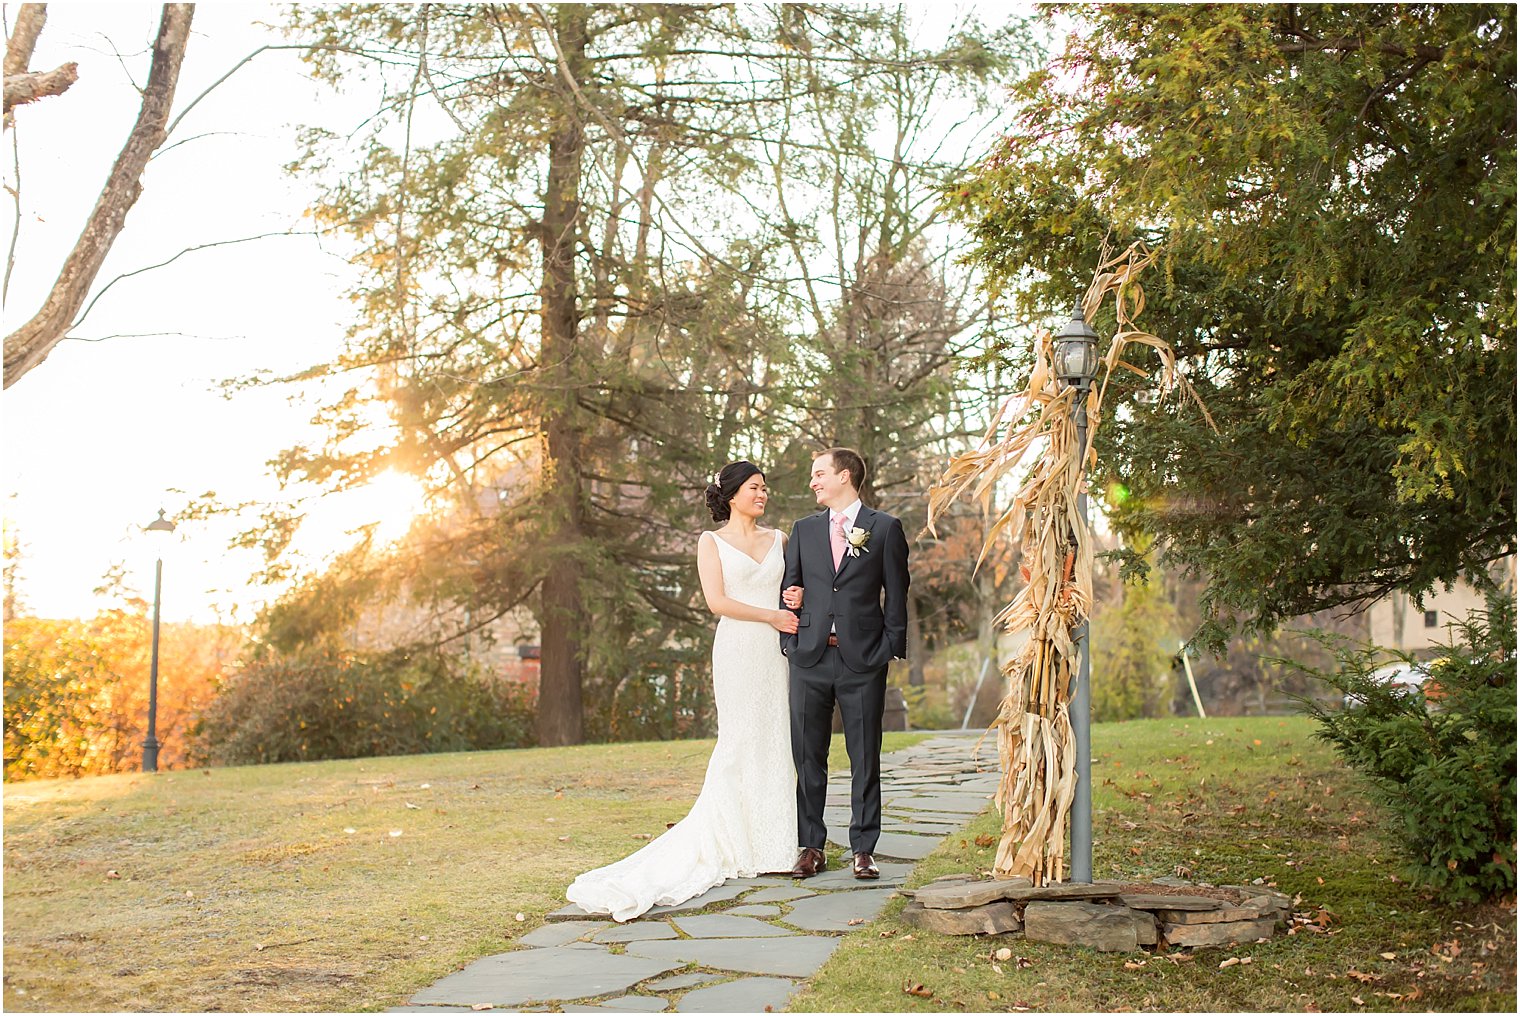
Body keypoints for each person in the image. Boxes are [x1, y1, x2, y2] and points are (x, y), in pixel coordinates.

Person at [565, 461, 800, 922]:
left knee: (776, 739)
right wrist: (771, 615)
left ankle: (777, 841)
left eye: (765, 488)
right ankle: (733, 837)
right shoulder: (710, 543)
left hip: (777, 654)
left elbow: (792, 589)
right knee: (739, 740)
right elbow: (717, 602)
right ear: (732, 495)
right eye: (755, 488)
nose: (763, 494)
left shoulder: (781, 540)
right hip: (738, 649)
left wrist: (792, 601)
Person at [779, 448, 910, 880]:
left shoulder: (885, 529)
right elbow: (789, 589)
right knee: (807, 756)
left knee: (864, 756)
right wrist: (789, 641)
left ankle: (863, 848)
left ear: (845, 475)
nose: (813, 482)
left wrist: (889, 648)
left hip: (862, 661)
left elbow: (897, 592)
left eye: (819, 474)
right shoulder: (802, 530)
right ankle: (811, 847)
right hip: (809, 657)